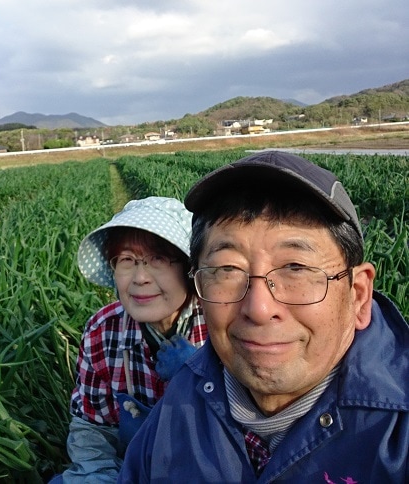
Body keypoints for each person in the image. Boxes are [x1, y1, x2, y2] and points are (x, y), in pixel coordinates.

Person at [118, 151, 408, 483]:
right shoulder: (182, 397)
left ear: (358, 295)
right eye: (227, 269)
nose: (258, 308)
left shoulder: (398, 437)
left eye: (296, 268)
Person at [61, 196, 208, 482]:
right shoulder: (103, 332)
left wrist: (203, 374)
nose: (140, 277)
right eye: (127, 260)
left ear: (189, 269)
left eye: (158, 259)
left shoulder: (220, 325)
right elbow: (93, 429)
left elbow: (253, 427)